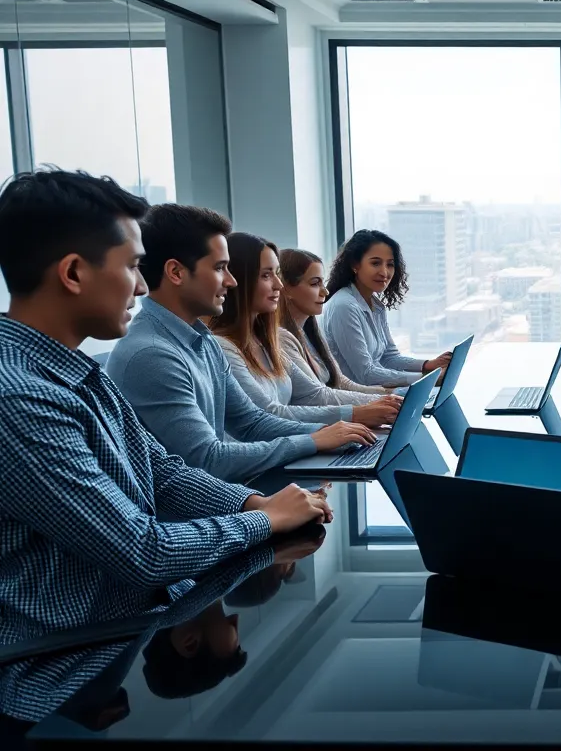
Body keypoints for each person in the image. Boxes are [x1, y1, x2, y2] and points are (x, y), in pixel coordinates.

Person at [0, 170, 331, 647]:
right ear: (73, 273)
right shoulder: (21, 398)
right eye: (133, 266)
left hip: (133, 615)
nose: (140, 286)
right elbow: (142, 550)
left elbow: (162, 469)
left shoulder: (72, 369)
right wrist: (264, 520)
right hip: (66, 657)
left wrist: (254, 503)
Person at [106, 204, 377, 484]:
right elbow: (207, 460)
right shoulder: (153, 354)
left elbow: (251, 422)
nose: (231, 281)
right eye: (220, 268)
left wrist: (329, 433)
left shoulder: (202, 341)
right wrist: (313, 441)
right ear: (176, 272)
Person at [210, 232, 400, 427]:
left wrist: (389, 399)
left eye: (277, 274)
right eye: (266, 275)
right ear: (238, 280)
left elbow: (313, 392)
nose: (278, 285)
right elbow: (268, 414)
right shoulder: (224, 348)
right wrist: (358, 413)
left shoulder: (272, 339)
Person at [322, 229, 453, 388]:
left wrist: (428, 365)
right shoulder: (343, 306)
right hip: (358, 400)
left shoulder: (376, 305)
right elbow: (366, 374)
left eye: (390, 264)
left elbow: (389, 358)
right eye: (375, 263)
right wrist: (428, 379)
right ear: (355, 265)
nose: (384, 272)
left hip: (379, 393)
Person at [276, 248, 400, 403]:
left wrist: (391, 393)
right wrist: (382, 399)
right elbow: (319, 396)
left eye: (323, 282)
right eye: (315, 283)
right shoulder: (282, 339)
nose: (325, 291)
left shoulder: (310, 332)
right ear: (285, 289)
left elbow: (341, 383)